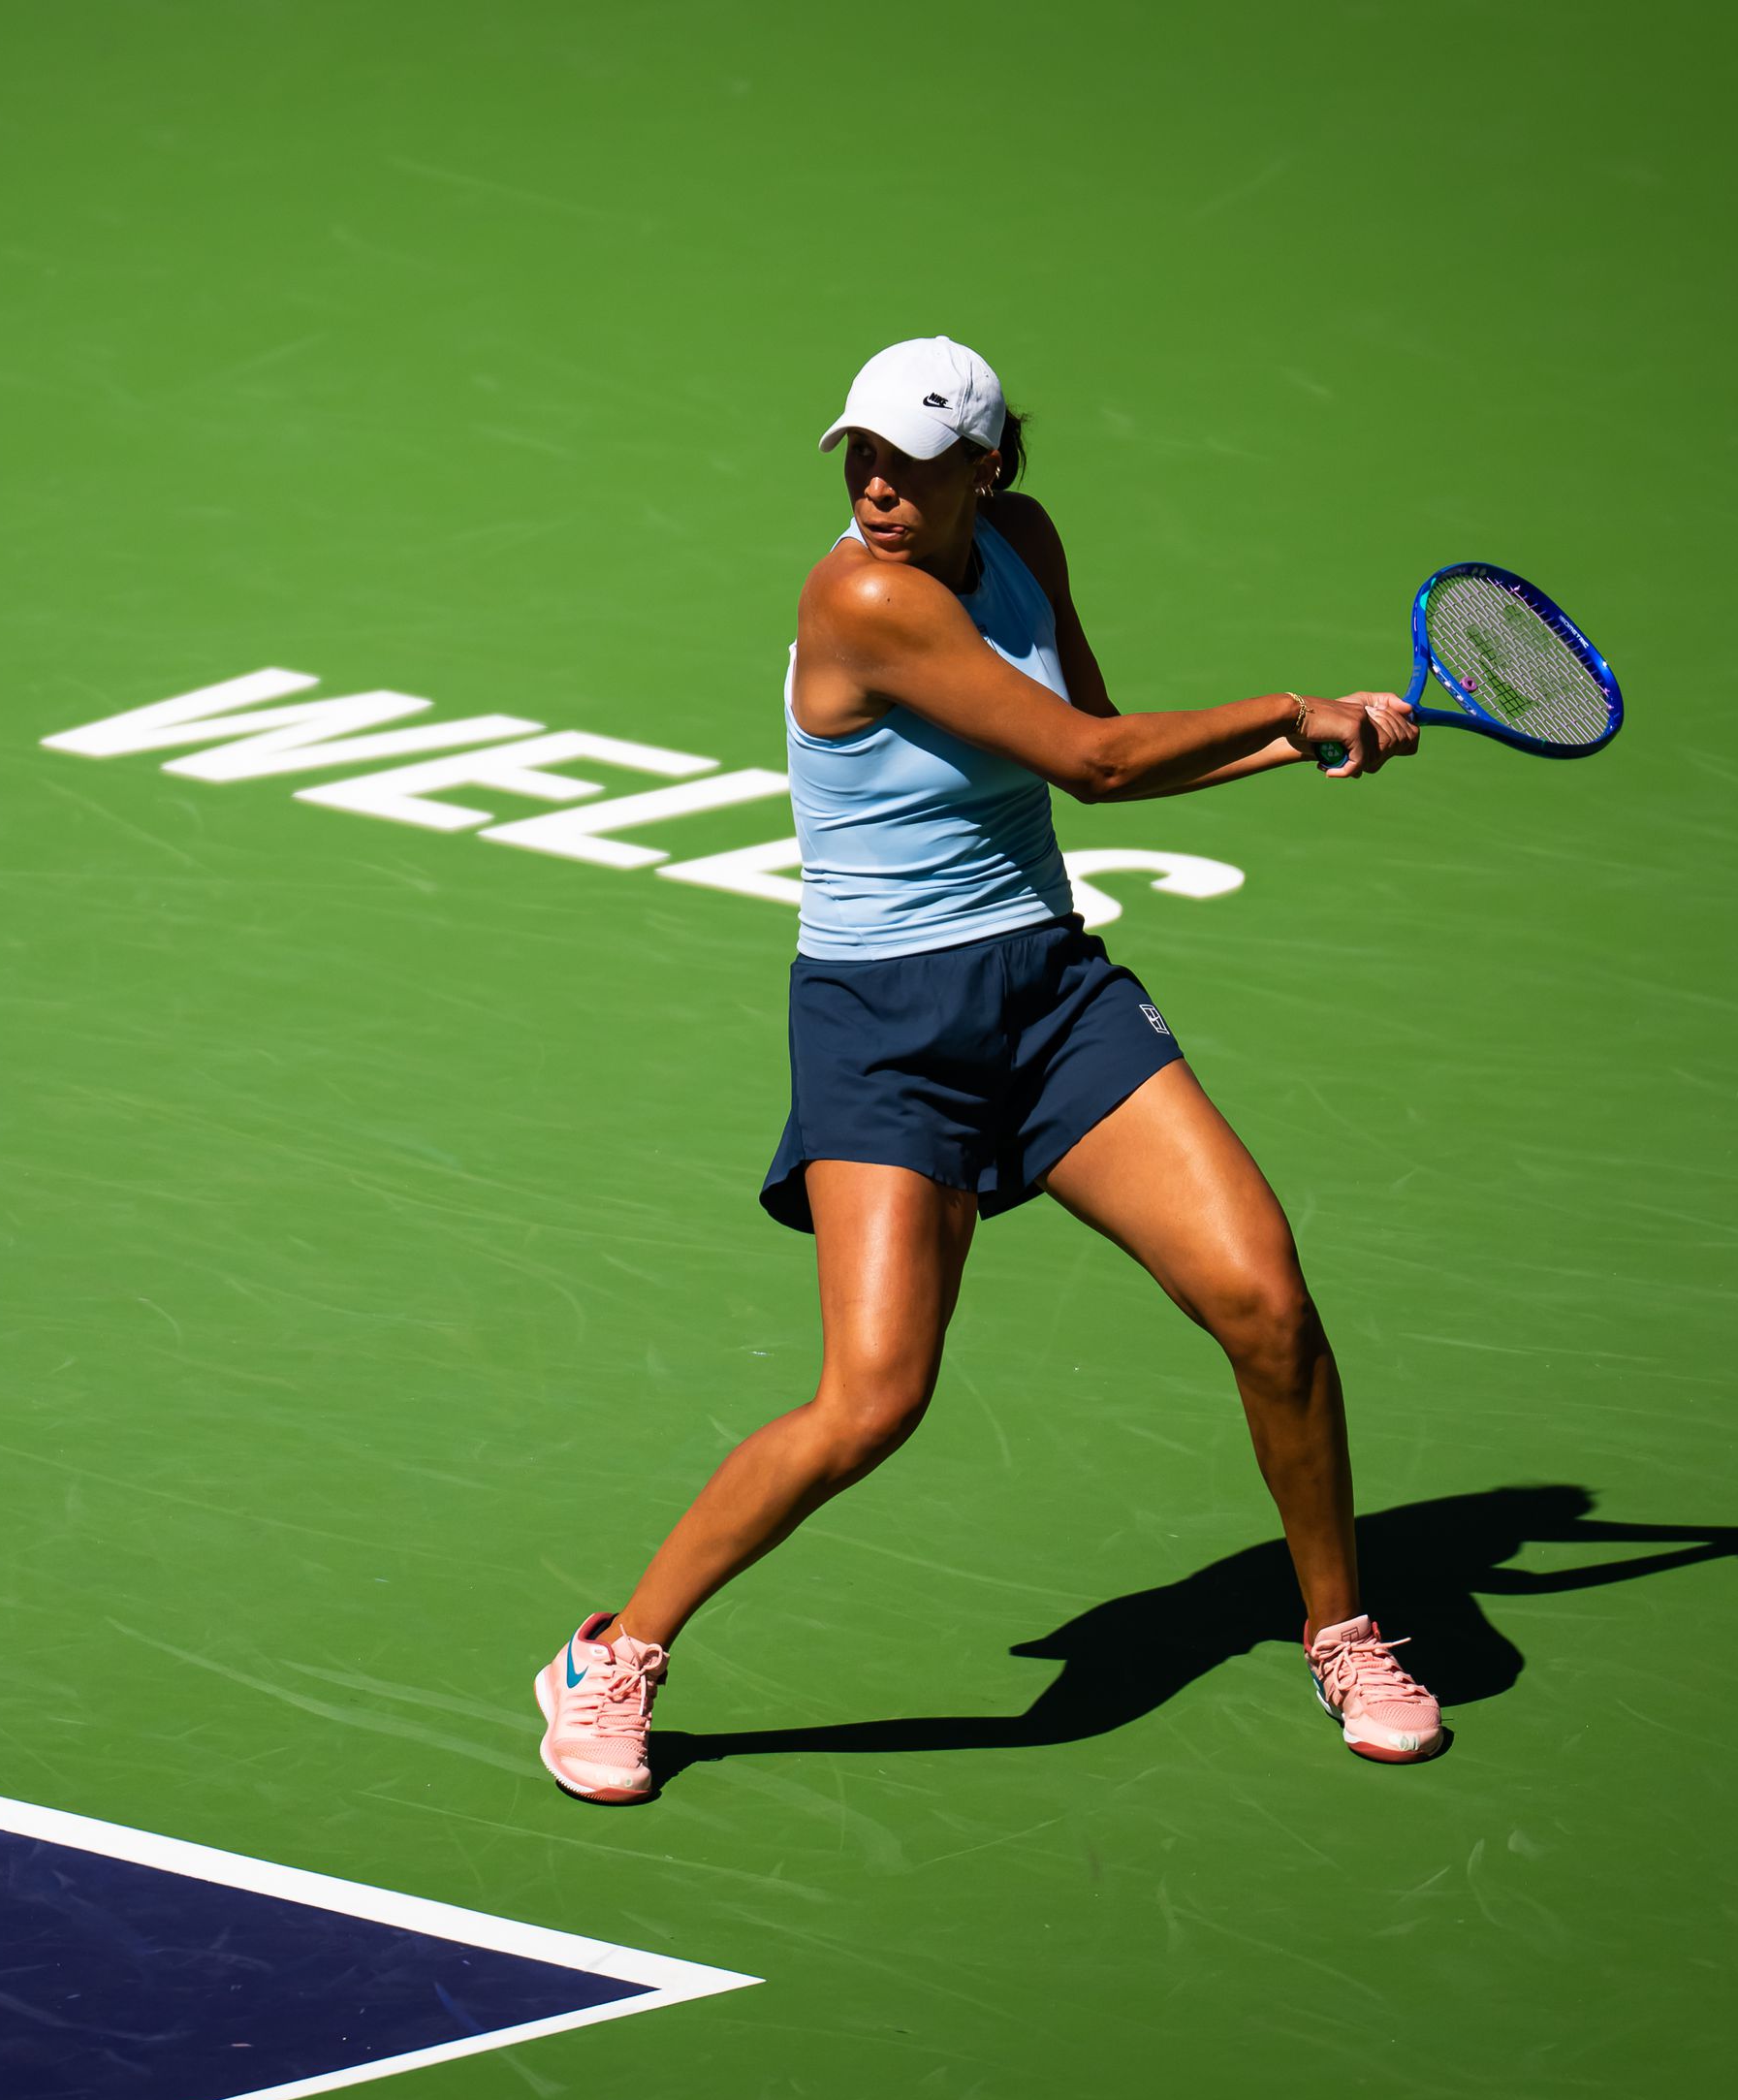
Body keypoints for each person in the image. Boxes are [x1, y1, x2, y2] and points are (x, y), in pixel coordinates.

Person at [533, 336, 1439, 1801]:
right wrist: (1287, 704)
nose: (878, 487)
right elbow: (1093, 763)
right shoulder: (861, 596)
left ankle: (1343, 1627)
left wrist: (1313, 742)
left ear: (991, 469)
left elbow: (1100, 749)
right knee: (873, 1401)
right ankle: (616, 1654)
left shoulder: (1022, 540)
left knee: (1267, 1303)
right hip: (888, 1028)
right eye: (860, 459)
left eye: (912, 463)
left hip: (1051, 997)